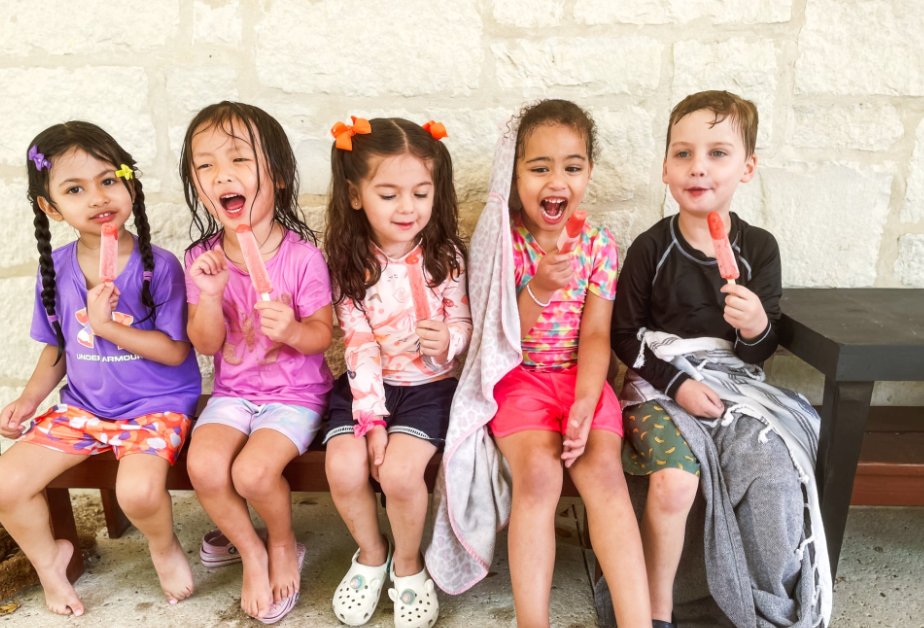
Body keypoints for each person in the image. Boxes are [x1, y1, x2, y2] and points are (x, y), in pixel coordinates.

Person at [0, 121, 201, 615]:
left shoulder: (160, 266)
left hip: (155, 406)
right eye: (75, 189)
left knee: (137, 491)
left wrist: (109, 326)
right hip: (86, 407)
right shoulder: (57, 272)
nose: (97, 197)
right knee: (6, 483)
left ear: (129, 184)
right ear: (51, 208)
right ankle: (50, 563)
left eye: (109, 180)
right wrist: (28, 400)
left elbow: (176, 352)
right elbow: (57, 351)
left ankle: (162, 545)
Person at [488, 100, 650, 628]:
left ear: (589, 173)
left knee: (605, 477)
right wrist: (540, 285)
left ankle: (637, 621)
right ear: (515, 174)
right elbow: (501, 334)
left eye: (572, 167)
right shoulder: (502, 243)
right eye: (540, 168)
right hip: (520, 380)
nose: (557, 180)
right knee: (538, 479)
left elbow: (597, 333)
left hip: (581, 377)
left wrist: (586, 398)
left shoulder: (600, 246)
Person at [181, 102, 333, 623]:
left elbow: (322, 336)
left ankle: (285, 542)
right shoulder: (203, 258)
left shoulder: (302, 258)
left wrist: (291, 330)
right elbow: (204, 343)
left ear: (281, 178)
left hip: (295, 395)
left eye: (239, 159)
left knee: (251, 473)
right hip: (232, 392)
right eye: (205, 165)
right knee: (202, 465)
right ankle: (251, 549)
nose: (221, 174)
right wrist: (209, 295)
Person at [323, 117, 471, 628]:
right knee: (344, 467)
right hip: (367, 388)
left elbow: (464, 321)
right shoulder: (346, 262)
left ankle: (409, 565)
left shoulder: (446, 257)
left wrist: (450, 339)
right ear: (356, 195)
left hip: (430, 388)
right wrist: (371, 418)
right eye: (389, 194)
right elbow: (357, 342)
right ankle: (371, 553)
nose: (408, 208)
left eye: (421, 192)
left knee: (401, 474)